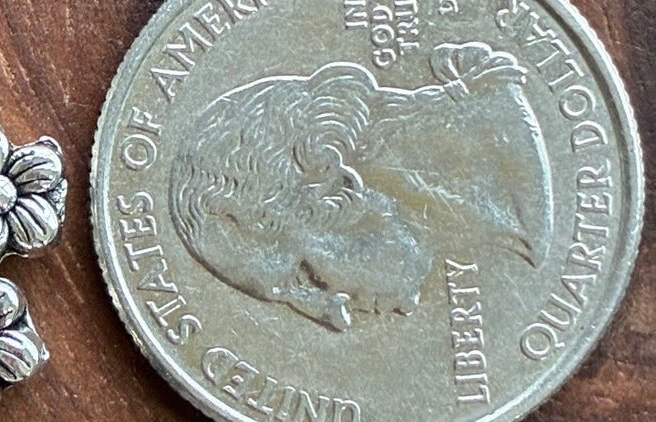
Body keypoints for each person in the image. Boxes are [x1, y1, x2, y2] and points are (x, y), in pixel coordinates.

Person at [169, 42, 553, 331]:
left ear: (335, 197)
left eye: (309, 273)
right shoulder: (506, 201)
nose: (333, 308)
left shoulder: (517, 205)